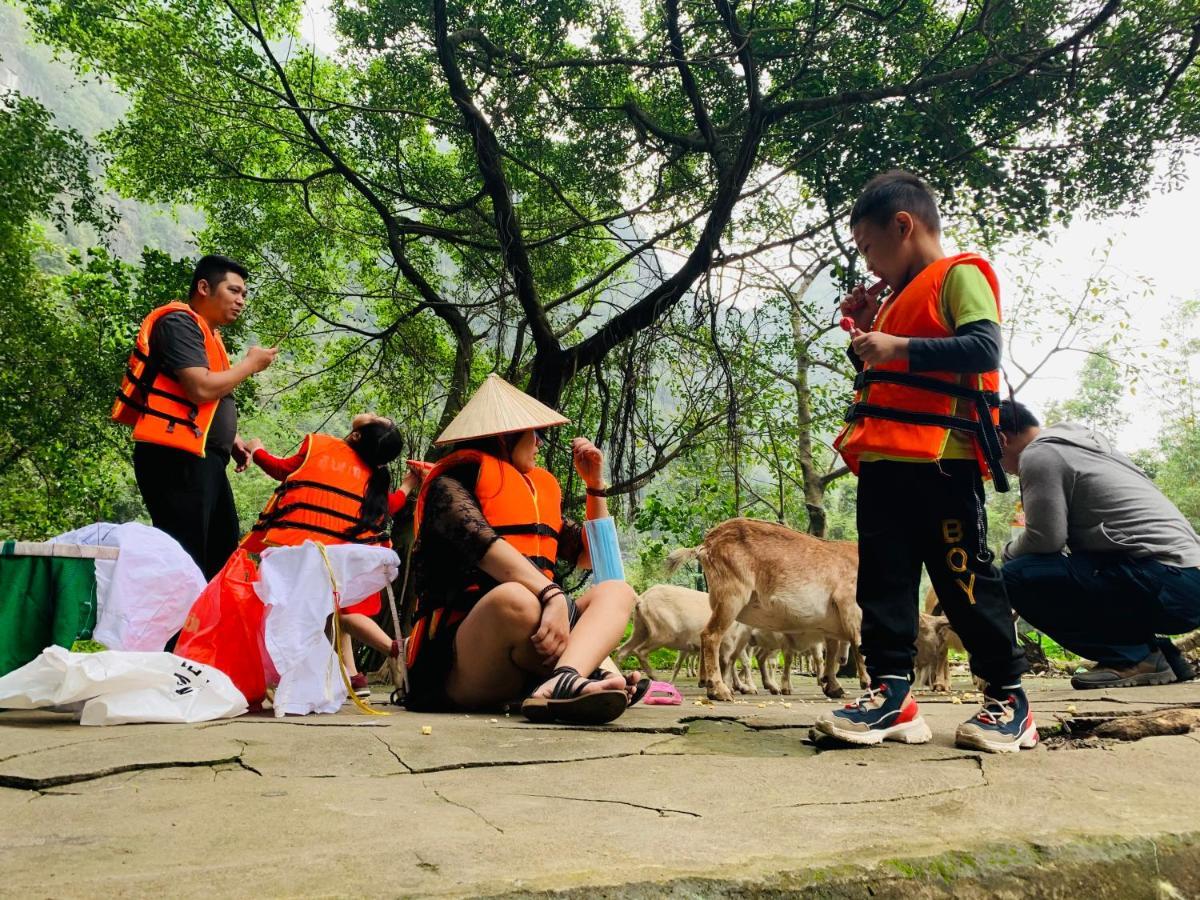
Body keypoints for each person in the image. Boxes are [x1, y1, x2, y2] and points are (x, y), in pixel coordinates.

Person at [814, 170, 1035, 754]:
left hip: (942, 461)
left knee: (962, 576)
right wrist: (865, 332)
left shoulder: (959, 275)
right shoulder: (888, 305)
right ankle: (892, 695)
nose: (868, 264)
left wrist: (899, 346)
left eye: (868, 247)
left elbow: (985, 347)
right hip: (883, 460)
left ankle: (1010, 700)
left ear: (903, 226)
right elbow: (879, 375)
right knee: (883, 580)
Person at [403, 374, 640, 724]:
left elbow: (592, 557)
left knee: (618, 592)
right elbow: (484, 544)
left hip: (536, 642)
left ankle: (564, 679)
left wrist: (595, 486)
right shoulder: (450, 484)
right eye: (535, 434)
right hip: (464, 660)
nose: (540, 443)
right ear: (505, 435)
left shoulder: (536, 489)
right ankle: (592, 675)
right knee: (515, 599)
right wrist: (553, 596)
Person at [998, 399, 1200, 688]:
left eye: (993, 457)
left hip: (1169, 581)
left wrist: (1006, 553)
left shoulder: (1040, 454)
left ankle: (1131, 659)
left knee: (1017, 575)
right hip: (1185, 578)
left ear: (1001, 439)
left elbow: (1045, 540)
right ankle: (1161, 656)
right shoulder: (1085, 446)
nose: (1000, 468)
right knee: (1082, 571)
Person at [112, 255, 277, 580]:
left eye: (244, 294)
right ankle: (175, 632)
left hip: (204, 460)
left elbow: (210, 399)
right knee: (185, 562)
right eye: (234, 291)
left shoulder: (209, 336)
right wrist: (249, 366)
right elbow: (200, 388)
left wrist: (231, 439)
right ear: (204, 287)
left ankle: (202, 631)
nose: (241, 300)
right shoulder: (179, 323)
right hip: (175, 460)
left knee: (220, 557)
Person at [241, 415, 427, 698]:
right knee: (338, 607)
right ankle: (352, 675)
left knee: (337, 610)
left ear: (355, 437)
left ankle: (397, 648)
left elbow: (280, 469)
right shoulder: (371, 474)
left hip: (305, 553)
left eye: (377, 418)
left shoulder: (320, 448)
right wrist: (409, 484)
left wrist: (256, 449)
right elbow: (390, 505)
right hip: (343, 556)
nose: (373, 414)